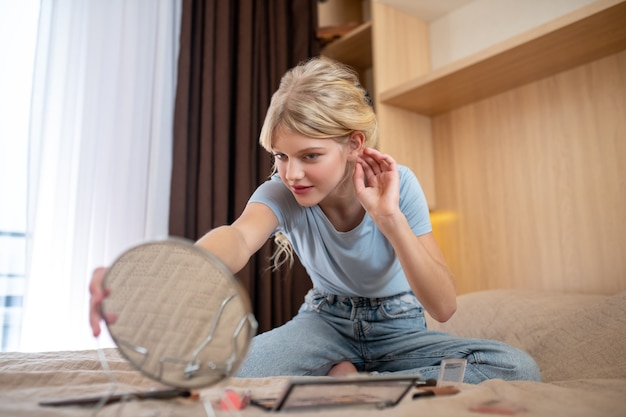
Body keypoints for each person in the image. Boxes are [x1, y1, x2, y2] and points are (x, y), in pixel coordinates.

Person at [89, 57, 541, 383]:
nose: (292, 173)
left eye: (310, 156)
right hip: (324, 324)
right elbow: (236, 238)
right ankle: (344, 373)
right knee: (208, 372)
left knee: (518, 368)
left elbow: (443, 306)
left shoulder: (399, 187)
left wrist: (388, 218)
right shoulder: (280, 193)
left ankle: (348, 382)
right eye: (282, 156)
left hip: (400, 329)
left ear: (354, 144)